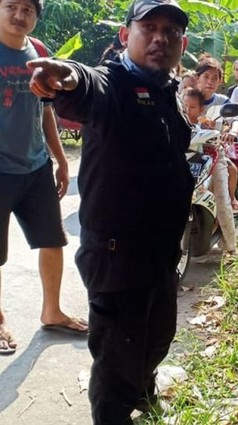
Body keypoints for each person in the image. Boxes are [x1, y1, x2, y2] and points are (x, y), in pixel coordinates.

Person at [28, 0, 194, 423]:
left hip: (160, 254)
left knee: (155, 341)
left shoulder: (166, 92)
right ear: (125, 36)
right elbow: (86, 85)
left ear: (183, 43)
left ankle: (144, 396)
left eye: (171, 32)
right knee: (116, 365)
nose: (161, 38)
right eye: (149, 28)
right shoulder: (113, 84)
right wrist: (66, 76)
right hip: (117, 257)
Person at [0, 0, 88, 356]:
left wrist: (60, 158)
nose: (19, 16)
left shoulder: (38, 52)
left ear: (37, 15)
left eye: (28, 9)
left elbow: (46, 109)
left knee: (53, 241)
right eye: (11, 6)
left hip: (35, 167)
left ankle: (51, 310)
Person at [182, 87, 237, 251]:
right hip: (183, 164)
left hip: (213, 159)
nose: (188, 111)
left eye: (192, 107)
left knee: (222, 200)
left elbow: (235, 121)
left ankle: (230, 245)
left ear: (201, 110)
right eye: (185, 107)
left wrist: (228, 132)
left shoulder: (208, 121)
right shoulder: (176, 124)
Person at [193, 56, 238, 213]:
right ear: (197, 78)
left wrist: (233, 131)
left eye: (215, 78)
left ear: (220, 81)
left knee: (230, 172)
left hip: (214, 152)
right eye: (206, 77)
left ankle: (230, 200)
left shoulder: (223, 101)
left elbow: (236, 119)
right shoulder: (188, 97)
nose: (210, 81)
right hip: (189, 150)